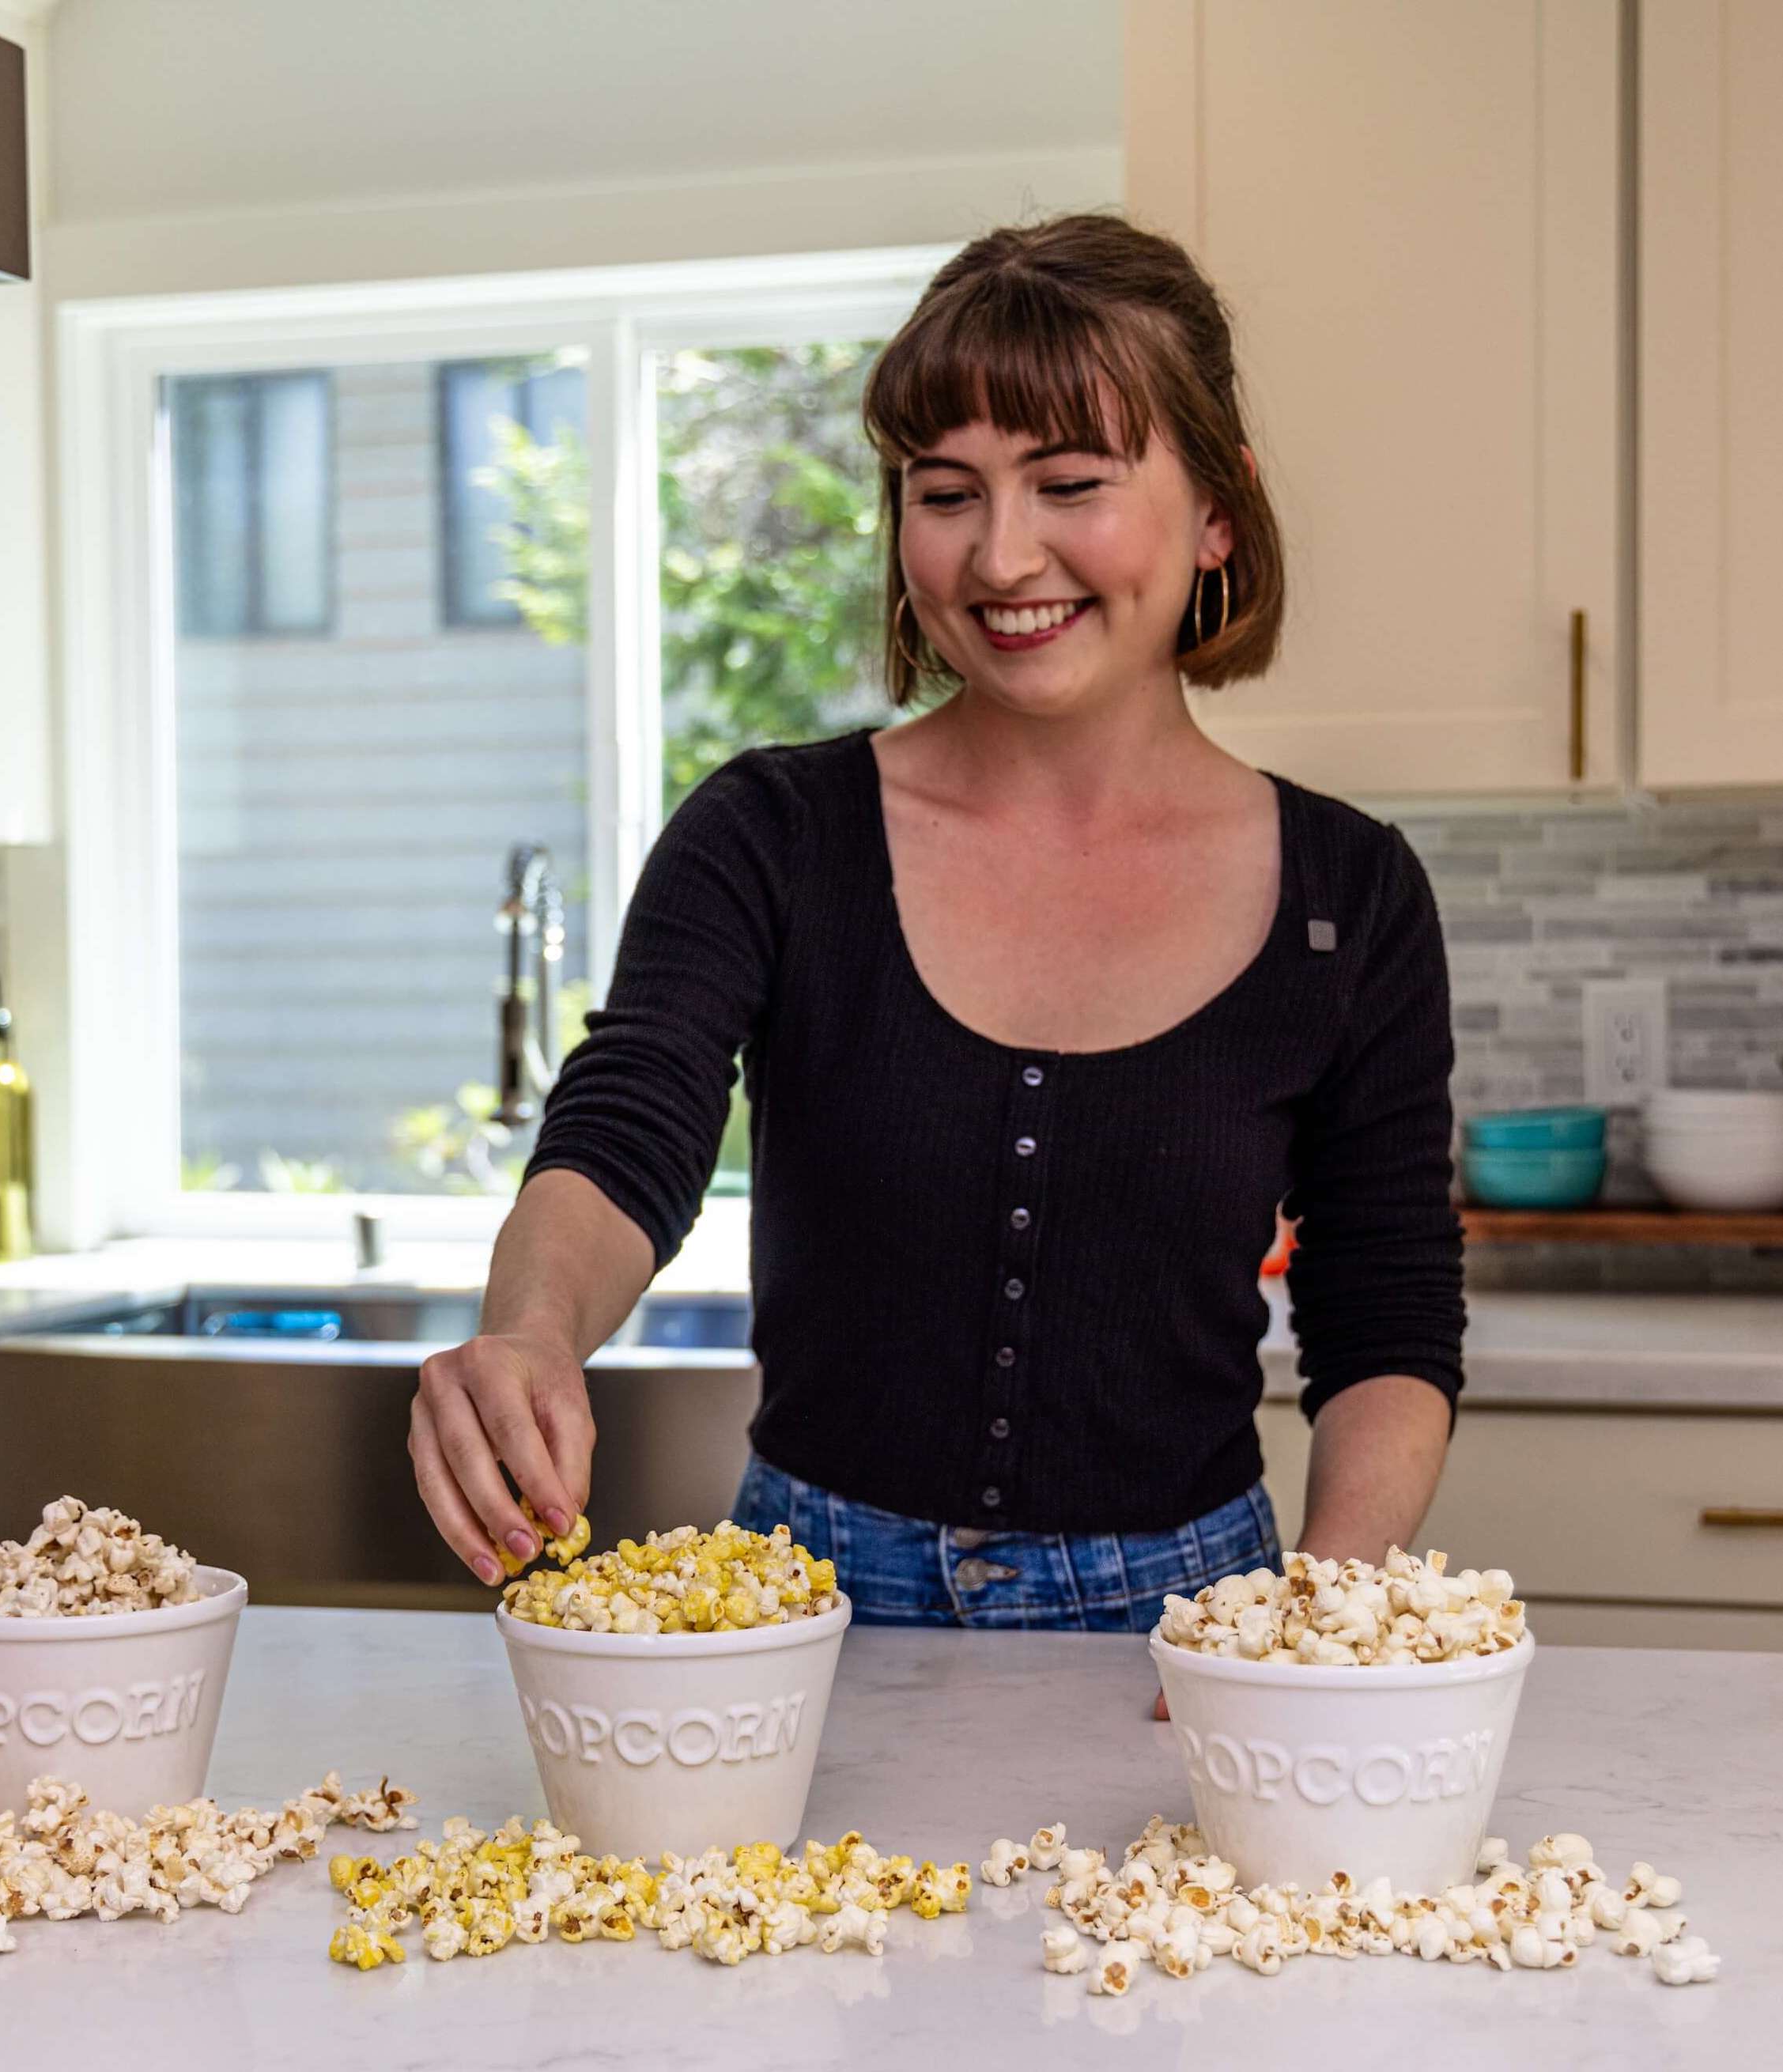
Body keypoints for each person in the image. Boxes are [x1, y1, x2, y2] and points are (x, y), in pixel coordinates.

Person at [407, 211, 1464, 1633]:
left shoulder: (1353, 895)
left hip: (1196, 1622)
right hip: (801, 1610)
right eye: (944, 491)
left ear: (1218, 508)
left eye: (1068, 481)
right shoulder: (772, 834)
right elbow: (629, 1125)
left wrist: (1316, 1626)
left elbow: (1385, 1305)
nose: (1000, 556)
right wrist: (529, 1333)